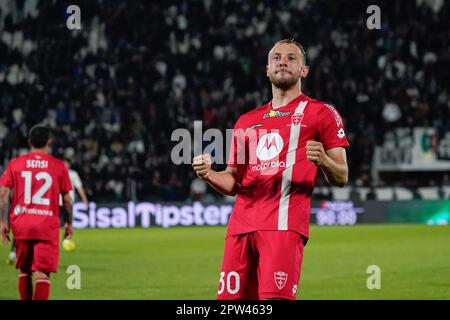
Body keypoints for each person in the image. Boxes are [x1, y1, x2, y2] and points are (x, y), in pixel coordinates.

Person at [192, 39, 349, 300]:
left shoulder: (321, 113)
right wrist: (208, 173)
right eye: (276, 58)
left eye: (291, 58)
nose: (282, 62)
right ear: (267, 69)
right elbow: (233, 182)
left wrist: (323, 160)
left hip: (283, 228)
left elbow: (342, 176)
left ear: (304, 70)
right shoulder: (247, 121)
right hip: (240, 228)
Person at [0, 125, 73, 300]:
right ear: (49, 142)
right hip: (46, 226)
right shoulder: (59, 166)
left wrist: (3, 221)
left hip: (22, 224)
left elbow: (3, 193)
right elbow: (68, 200)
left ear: (29, 142)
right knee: (42, 275)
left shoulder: (15, 164)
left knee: (24, 271)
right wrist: (69, 222)